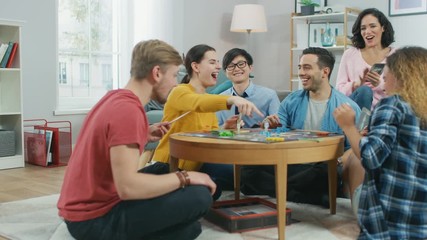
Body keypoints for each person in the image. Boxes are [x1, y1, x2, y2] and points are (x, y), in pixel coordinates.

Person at [57, 40, 217, 240]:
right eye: (175, 75)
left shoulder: (115, 98)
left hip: (88, 206)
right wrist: (186, 177)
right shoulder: (128, 111)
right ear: (157, 73)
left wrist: (143, 133)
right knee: (199, 198)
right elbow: (128, 187)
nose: (176, 83)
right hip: (93, 221)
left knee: (161, 169)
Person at [240, 47, 361, 207]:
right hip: (293, 162)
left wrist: (339, 161)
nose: (301, 73)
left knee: (323, 173)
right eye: (300, 67)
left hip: (323, 165)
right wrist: (268, 127)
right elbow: (277, 135)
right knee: (248, 170)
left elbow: (353, 149)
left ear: (325, 72)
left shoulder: (348, 107)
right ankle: (308, 196)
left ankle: (295, 192)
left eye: (307, 67)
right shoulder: (291, 101)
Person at [334, 46, 427, 240]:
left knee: (351, 162)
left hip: (386, 225)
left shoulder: (392, 104)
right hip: (419, 223)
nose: (383, 86)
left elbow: (370, 157)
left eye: (385, 78)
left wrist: (349, 126)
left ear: (400, 75)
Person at [150, 44, 263, 199]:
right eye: (212, 62)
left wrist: (225, 128)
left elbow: (208, 135)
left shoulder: (208, 101)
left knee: (247, 174)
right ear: (196, 66)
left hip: (199, 167)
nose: (218, 67)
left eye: (217, 63)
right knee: (216, 188)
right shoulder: (180, 92)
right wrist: (232, 98)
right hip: (169, 166)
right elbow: (197, 103)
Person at [336, 8, 395, 111]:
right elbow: (338, 91)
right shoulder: (350, 54)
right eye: (363, 28)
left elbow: (404, 91)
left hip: (385, 111)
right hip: (355, 111)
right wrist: (355, 85)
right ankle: (362, 126)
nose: (367, 32)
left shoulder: (396, 55)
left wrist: (380, 84)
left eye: (373, 26)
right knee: (364, 90)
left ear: (383, 28)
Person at [216, 48, 280, 128]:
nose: (236, 69)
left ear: (250, 68)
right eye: (231, 66)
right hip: (230, 140)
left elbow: (280, 125)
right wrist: (224, 128)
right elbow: (214, 131)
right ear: (226, 73)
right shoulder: (220, 99)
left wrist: (268, 126)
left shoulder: (269, 96)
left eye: (241, 64)